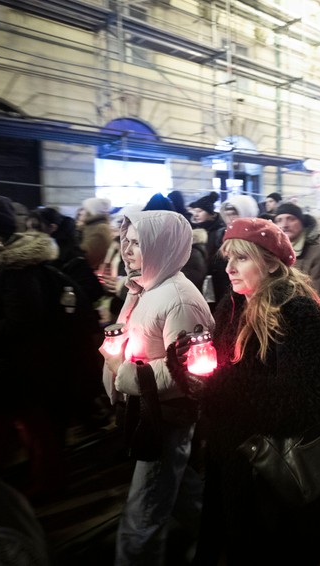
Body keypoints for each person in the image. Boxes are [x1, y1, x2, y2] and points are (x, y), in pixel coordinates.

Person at [166, 217, 320, 564]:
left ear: (272, 261)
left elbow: (301, 404)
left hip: (274, 474)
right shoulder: (232, 305)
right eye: (228, 258)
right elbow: (214, 381)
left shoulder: (297, 311)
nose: (229, 268)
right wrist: (185, 364)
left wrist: (218, 383)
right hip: (232, 461)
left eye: (242, 258)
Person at [101, 209, 214, 566]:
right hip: (144, 410)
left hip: (165, 417)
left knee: (143, 515)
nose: (128, 250)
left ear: (162, 246)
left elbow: (188, 370)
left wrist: (123, 372)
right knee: (180, 491)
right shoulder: (144, 287)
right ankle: (223, 536)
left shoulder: (179, 298)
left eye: (138, 243)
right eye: (127, 241)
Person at [0, 196, 70, 503]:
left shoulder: (15, 270)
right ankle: (41, 483)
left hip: (11, 369)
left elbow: (23, 322)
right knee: (33, 428)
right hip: (6, 366)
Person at [273, 202, 320, 301]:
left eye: (291, 219)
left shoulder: (319, 254)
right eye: (279, 220)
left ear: (302, 223)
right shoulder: (273, 252)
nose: (284, 225)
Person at [189, 192, 228, 308]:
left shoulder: (220, 232)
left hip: (218, 282)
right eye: (195, 211)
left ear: (211, 214)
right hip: (200, 281)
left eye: (200, 211)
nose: (196, 214)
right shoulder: (193, 231)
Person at [78, 197, 113, 271]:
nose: (80, 212)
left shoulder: (100, 228)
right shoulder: (90, 226)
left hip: (91, 273)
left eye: (84, 209)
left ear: (91, 211)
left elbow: (88, 255)